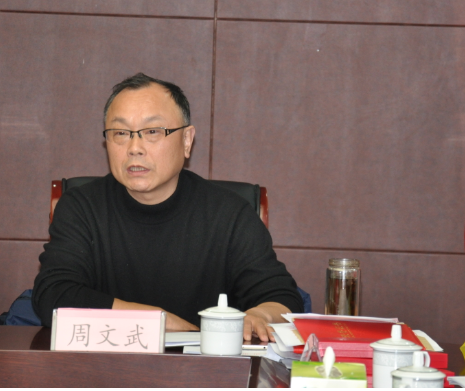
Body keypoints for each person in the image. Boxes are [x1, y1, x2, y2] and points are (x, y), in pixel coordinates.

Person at [32, 73, 303, 341]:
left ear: (186, 141)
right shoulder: (81, 208)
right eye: (121, 133)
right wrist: (157, 320)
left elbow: (281, 297)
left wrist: (259, 316)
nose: (134, 148)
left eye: (152, 132)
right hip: (106, 362)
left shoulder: (229, 214)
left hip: (203, 367)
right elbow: (53, 295)